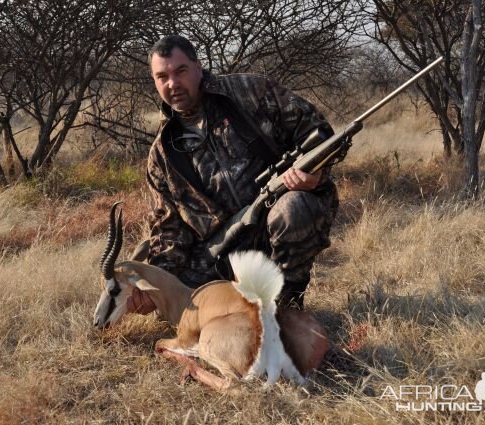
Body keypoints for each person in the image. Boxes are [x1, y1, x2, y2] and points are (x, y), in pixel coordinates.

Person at [127, 35, 338, 315]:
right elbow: (169, 231)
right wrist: (154, 286)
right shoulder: (162, 154)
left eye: (181, 71)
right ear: (154, 81)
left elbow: (320, 133)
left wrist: (315, 175)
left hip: (276, 220)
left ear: (198, 68)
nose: (172, 84)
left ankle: (288, 305)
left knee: (292, 208)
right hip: (223, 252)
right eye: (162, 76)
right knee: (172, 299)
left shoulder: (249, 91)